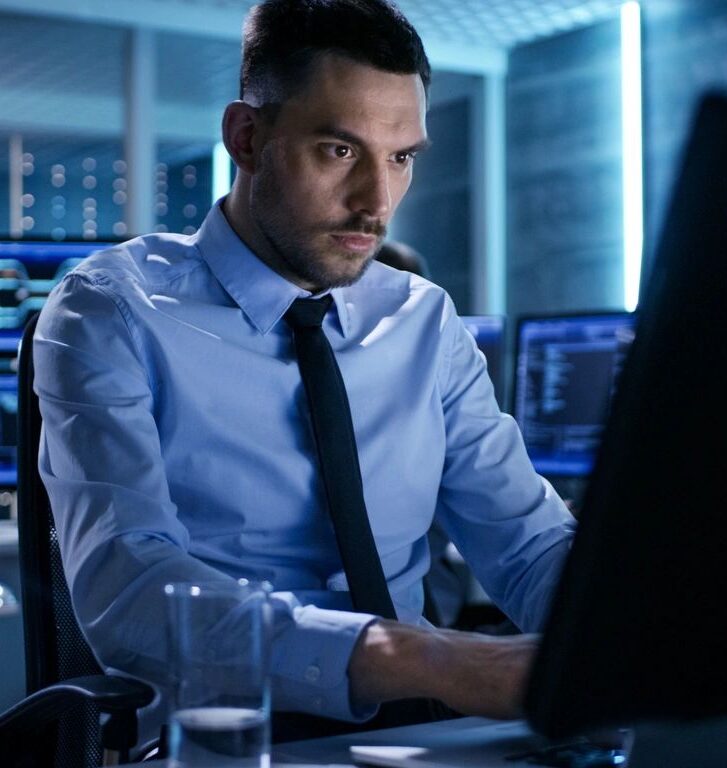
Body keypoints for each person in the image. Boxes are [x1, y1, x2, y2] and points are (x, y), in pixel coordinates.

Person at [34, 0, 576, 744]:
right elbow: (131, 588)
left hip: (421, 736)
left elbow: (526, 541)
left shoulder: (424, 319)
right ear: (247, 138)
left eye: (401, 157)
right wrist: (417, 655)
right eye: (340, 151)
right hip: (227, 738)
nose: (377, 203)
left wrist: (618, 630)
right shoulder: (110, 311)